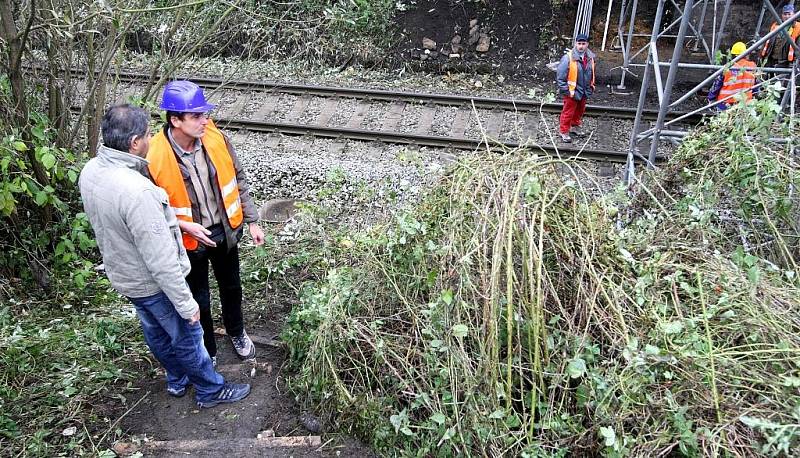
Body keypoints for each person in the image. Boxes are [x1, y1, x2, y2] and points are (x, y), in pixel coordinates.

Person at [79, 104, 250, 408]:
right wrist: (187, 306)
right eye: (145, 134)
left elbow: (131, 219)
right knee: (186, 334)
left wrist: (181, 223)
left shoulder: (92, 170)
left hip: (124, 275)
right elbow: (161, 260)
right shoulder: (138, 189)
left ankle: (177, 380)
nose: (149, 138)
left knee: (155, 331)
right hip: (151, 280)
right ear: (134, 142)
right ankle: (210, 390)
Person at [147, 81, 264, 366]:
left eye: (204, 113)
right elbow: (149, 209)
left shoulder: (215, 138)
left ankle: (237, 332)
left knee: (232, 286)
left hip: (224, 231)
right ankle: (208, 349)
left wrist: (251, 220)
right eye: (196, 115)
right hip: (188, 241)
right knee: (198, 298)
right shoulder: (154, 156)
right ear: (175, 120)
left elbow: (238, 178)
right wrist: (183, 226)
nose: (204, 120)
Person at [556, 33, 596, 143]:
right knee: (568, 112)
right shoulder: (568, 58)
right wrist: (567, 91)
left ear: (587, 44)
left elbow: (591, 73)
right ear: (575, 44)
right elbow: (560, 77)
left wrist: (591, 87)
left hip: (584, 91)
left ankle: (574, 126)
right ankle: (564, 131)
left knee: (579, 110)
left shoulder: (590, 58)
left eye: (583, 44)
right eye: (579, 43)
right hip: (572, 91)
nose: (581, 46)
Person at [708, 41, 759, 110]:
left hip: (726, 103)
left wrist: (711, 98)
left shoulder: (728, 67)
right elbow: (756, 87)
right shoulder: (753, 67)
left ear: (733, 54)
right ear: (746, 54)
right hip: (745, 104)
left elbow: (717, 85)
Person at [760, 4, 800, 77]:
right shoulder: (775, 25)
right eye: (785, 14)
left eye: (789, 14)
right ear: (782, 15)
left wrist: (795, 63)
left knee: (781, 85)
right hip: (771, 60)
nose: (787, 16)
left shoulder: (798, 27)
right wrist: (762, 57)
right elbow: (767, 43)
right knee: (768, 82)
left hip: (786, 63)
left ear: (793, 14)